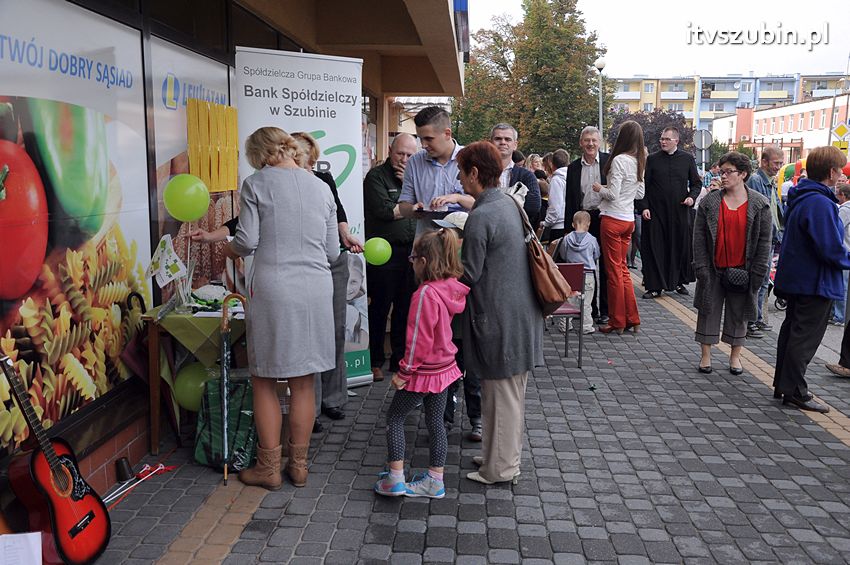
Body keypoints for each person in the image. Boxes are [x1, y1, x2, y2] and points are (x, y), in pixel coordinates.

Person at [228, 126, 338, 489]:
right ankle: (300, 465)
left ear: (259, 154)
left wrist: (227, 247)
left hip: (276, 288)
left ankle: (268, 468)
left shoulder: (256, 184)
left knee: (264, 380)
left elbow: (247, 241)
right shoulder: (321, 187)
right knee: (303, 380)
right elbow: (333, 252)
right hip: (317, 287)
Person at [455, 141, 544, 485]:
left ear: (475, 173)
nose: (460, 181)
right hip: (519, 315)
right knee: (506, 395)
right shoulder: (507, 202)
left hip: (499, 320)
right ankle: (499, 453)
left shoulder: (482, 215)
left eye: (462, 173)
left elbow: (469, 274)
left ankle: (500, 468)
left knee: (502, 397)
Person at [373, 229, 469, 499]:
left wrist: (405, 370)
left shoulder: (425, 294)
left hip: (423, 372)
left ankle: (394, 478)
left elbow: (418, 340)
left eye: (413, 257)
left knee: (395, 418)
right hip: (444, 368)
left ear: (424, 262)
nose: (410, 262)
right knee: (436, 422)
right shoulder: (450, 288)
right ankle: (435, 480)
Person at [292, 132, 364, 431]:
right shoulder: (277, 183)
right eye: (300, 158)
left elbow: (339, 212)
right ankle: (310, 407)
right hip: (302, 266)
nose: (306, 164)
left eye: (308, 159)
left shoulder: (323, 180)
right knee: (307, 337)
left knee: (334, 332)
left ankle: (332, 400)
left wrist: (345, 234)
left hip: (333, 261)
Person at [773, 146, 850, 413]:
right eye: (840, 170)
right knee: (804, 339)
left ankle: (784, 385)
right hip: (814, 282)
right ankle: (795, 391)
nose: (841, 175)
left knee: (792, 332)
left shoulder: (804, 196)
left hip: (799, 279)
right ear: (831, 172)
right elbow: (830, 248)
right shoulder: (820, 202)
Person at [693, 152, 772, 375]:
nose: (723, 176)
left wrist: (757, 272)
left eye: (729, 172)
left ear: (743, 174)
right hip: (713, 267)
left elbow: (765, 242)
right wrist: (701, 267)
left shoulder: (759, 204)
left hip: (742, 270)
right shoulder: (710, 201)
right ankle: (706, 355)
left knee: (739, 314)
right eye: (722, 171)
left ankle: (735, 357)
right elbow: (698, 238)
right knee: (708, 310)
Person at [363, 133, 419, 383]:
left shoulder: (414, 177)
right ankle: (374, 361)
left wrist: (409, 191)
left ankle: (398, 360)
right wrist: (412, 205)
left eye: (409, 155)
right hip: (384, 253)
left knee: (405, 310)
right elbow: (384, 211)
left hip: (412, 252)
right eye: (400, 153)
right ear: (390, 150)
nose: (404, 159)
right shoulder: (376, 176)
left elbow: (424, 205)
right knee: (380, 308)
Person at [431, 212, 483, 442]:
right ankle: (446, 420)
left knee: (472, 378)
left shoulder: (468, 260)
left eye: (446, 230)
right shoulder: (440, 257)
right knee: (450, 379)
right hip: (449, 331)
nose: (441, 233)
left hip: (466, 329)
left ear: (461, 236)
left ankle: (476, 420)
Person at [638, 126, 702, 298]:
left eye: (666, 139)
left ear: (676, 141)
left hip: (679, 212)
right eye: (661, 139)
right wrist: (644, 207)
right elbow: (644, 185)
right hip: (656, 213)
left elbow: (696, 183)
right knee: (655, 248)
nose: (663, 142)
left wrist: (691, 198)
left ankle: (678, 282)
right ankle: (654, 286)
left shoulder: (687, 159)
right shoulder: (652, 159)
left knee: (679, 247)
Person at [595, 120, 645, 334]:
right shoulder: (640, 160)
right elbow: (640, 194)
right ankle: (631, 317)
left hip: (613, 219)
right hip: (628, 220)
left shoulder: (619, 160)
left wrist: (599, 188)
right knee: (623, 269)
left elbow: (612, 194)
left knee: (613, 272)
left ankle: (617, 321)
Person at [398, 106, 472, 235]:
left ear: (447, 134)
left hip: (461, 244)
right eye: (420, 138)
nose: (423, 145)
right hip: (426, 244)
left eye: (429, 139)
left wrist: (458, 198)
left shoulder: (471, 158)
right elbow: (403, 207)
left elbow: (483, 203)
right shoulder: (414, 162)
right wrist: (413, 210)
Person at [564, 126, 610, 323]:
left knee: (606, 266)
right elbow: (570, 199)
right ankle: (586, 309)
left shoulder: (609, 162)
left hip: (604, 217)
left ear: (599, 142)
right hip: (582, 219)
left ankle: (605, 310)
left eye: (594, 140)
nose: (590, 144)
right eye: (587, 140)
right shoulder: (573, 168)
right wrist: (570, 228)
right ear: (581, 143)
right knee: (581, 266)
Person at [745, 146, 785, 338]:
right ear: (764, 162)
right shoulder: (756, 180)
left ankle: (758, 318)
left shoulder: (769, 182)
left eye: (780, 163)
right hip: (760, 240)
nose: (779, 167)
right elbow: (755, 212)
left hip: (770, 239)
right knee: (756, 281)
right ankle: (751, 320)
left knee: (762, 282)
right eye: (776, 163)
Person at [555, 210, 599, 334]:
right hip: (588, 274)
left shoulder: (567, 238)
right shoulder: (592, 240)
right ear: (588, 224)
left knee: (568, 300)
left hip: (571, 273)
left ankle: (564, 325)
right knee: (586, 302)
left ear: (573, 224)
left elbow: (562, 254)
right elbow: (596, 254)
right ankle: (586, 326)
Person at [489, 123, 541, 226]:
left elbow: (533, 206)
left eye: (508, 139)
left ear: (515, 145)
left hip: (515, 232)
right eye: (498, 139)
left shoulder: (527, 176)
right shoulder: (479, 173)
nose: (503, 142)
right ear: (490, 143)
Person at [825, 184, 850, 377]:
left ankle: (847, 364)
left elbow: (836, 231)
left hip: (845, 256)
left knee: (842, 288)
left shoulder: (845, 210)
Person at [830, 183, 850, 327]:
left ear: (843, 195)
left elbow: (837, 228)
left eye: (838, 194)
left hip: (845, 250)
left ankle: (839, 316)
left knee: (842, 285)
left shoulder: (845, 210)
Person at [541, 149, 569, 242]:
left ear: (552, 164)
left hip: (558, 225)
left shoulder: (556, 180)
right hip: (570, 223)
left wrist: (547, 222)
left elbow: (555, 205)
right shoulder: (572, 176)